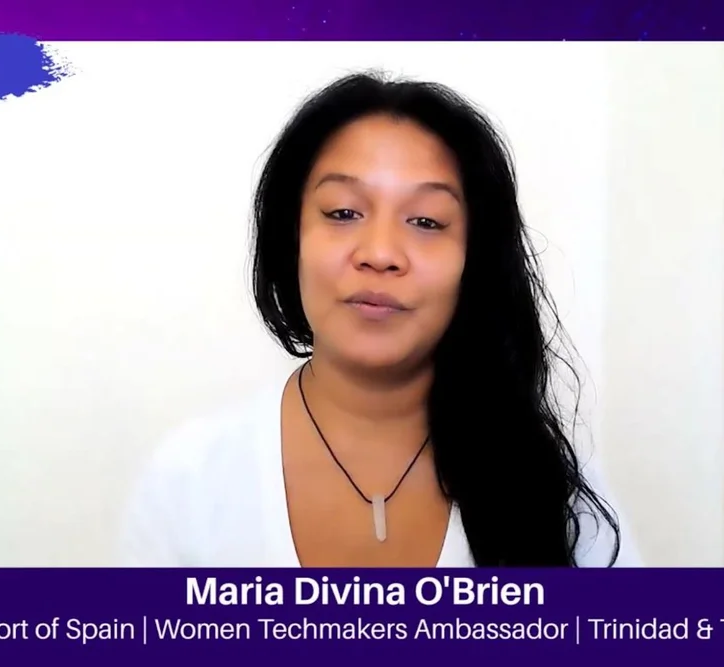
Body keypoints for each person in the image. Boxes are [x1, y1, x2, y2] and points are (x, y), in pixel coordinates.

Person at [121, 72, 638, 568]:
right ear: (291, 237)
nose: (381, 253)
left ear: (473, 261)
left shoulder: (556, 493)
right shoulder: (189, 482)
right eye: (344, 213)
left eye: (426, 221)